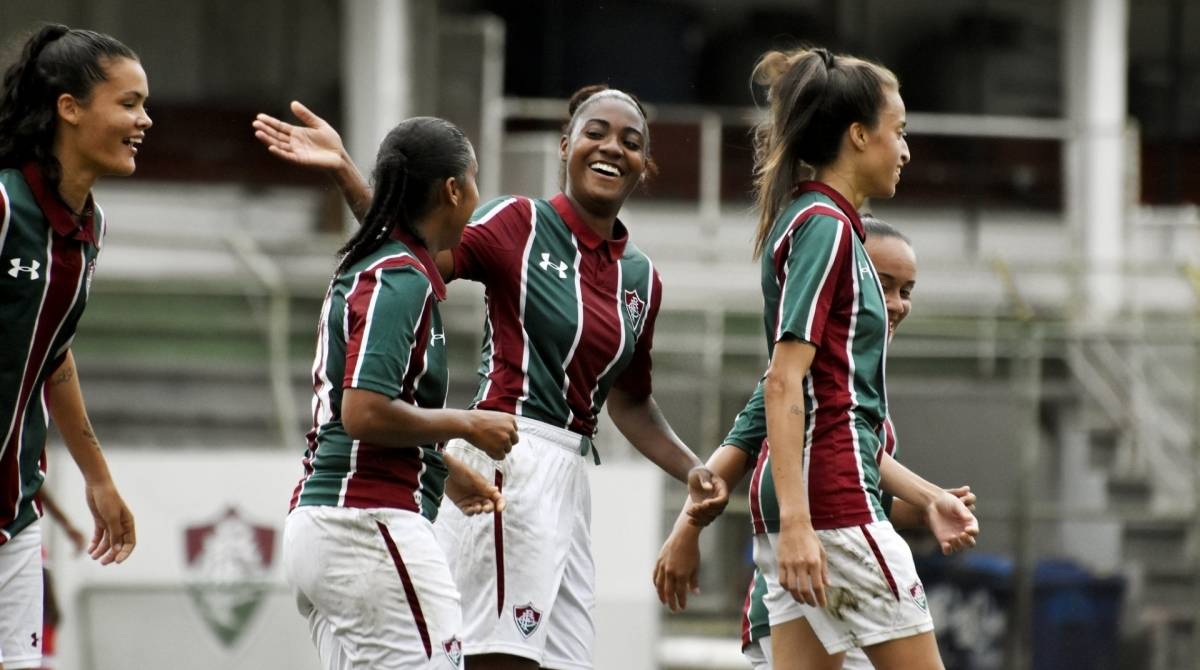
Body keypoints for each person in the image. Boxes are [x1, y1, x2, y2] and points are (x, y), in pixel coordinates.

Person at [255, 85, 726, 670]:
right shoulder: (519, 222)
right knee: (490, 657)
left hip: (570, 482)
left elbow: (630, 402)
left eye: (631, 142)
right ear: (565, 145)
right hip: (508, 456)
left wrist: (693, 469)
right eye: (595, 133)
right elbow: (416, 248)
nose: (612, 148)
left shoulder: (641, 278)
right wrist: (350, 173)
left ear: (644, 165)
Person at [739, 47, 977, 670]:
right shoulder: (826, 225)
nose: (904, 149)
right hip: (835, 502)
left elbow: (829, 403)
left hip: (808, 497)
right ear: (857, 135)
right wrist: (798, 522)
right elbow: (784, 381)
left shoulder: (811, 219)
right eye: (898, 132)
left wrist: (926, 498)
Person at [653, 217, 978, 670]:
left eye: (906, 291)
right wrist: (685, 531)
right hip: (805, 584)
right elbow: (738, 448)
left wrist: (927, 505)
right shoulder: (797, 379)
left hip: (828, 587)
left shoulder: (859, 385)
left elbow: (872, 500)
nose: (895, 304)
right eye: (881, 285)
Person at [281, 116, 524, 670]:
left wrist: (439, 466)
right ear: (453, 191)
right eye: (475, 181)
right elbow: (363, 411)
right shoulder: (400, 277)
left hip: (331, 523)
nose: (478, 197)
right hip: (365, 522)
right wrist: (468, 424)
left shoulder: (383, 262)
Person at [0, 24, 145, 670]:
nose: (145, 119)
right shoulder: (4, 204)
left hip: (15, 508)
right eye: (129, 103)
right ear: (69, 108)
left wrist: (98, 477)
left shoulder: (91, 229)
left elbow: (53, 354)